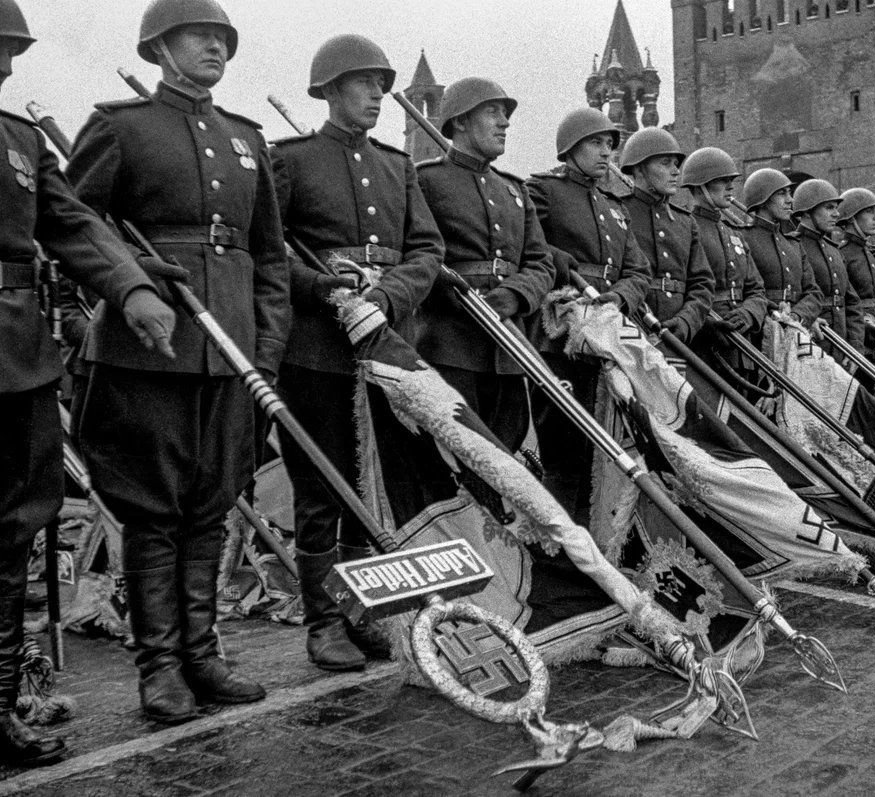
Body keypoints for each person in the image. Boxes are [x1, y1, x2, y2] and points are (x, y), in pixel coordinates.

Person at [67, 0, 290, 724]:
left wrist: (266, 348)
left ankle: (204, 652)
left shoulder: (245, 139)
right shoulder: (121, 127)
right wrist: (134, 271)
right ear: (159, 47)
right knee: (153, 511)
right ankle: (159, 666)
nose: (214, 48)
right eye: (199, 37)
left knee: (214, 504)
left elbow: (270, 259)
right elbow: (74, 225)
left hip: (229, 350)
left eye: (222, 39)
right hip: (148, 352)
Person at [0, 0, 180, 763]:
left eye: (10, 50)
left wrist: (133, 287)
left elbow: (72, 224)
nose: (8, 64)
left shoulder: (18, 137)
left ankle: (2, 704)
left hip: (18, 356)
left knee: (15, 529)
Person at [271, 34, 444, 672]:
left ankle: (360, 611)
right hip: (316, 348)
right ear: (329, 90)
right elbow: (271, 250)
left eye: (380, 83)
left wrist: (391, 297)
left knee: (371, 487)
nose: (376, 94)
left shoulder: (399, 167)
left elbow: (428, 250)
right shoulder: (290, 159)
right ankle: (322, 624)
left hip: (386, 345)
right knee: (321, 483)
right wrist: (322, 288)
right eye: (362, 83)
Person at [415, 77, 555, 453]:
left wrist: (514, 295)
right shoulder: (425, 181)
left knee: (508, 462)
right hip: (450, 346)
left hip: (509, 350)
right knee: (456, 460)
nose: (504, 122)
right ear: (460, 121)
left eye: (505, 114)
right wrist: (454, 294)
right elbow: (417, 255)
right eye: (492, 111)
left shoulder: (514, 190)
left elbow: (541, 263)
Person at [526, 108, 651, 523]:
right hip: (562, 336)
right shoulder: (544, 191)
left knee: (608, 443)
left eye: (609, 145)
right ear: (570, 149)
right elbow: (531, 246)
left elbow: (638, 271)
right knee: (564, 445)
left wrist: (617, 299)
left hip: (609, 333)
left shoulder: (614, 206)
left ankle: (596, 534)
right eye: (595, 144)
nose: (606, 154)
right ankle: (558, 541)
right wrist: (565, 270)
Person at [619, 127, 714, 343]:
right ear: (640, 169)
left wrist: (686, 322)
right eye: (665, 163)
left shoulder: (685, 222)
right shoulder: (618, 211)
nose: (675, 172)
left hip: (681, 337)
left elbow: (702, 284)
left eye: (676, 164)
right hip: (633, 331)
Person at [682, 147, 769, 379]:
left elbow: (757, 290)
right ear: (700, 186)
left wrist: (748, 315)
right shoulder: (686, 227)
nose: (731, 187)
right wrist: (705, 323)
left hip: (743, 348)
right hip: (703, 349)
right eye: (722, 181)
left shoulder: (734, 233)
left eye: (731, 180)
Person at [740, 169, 822, 329]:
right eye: (782, 194)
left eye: (789, 193)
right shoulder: (744, 237)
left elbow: (814, 293)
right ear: (763, 199)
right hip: (760, 329)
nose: (790, 200)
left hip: (794, 328)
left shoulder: (793, 244)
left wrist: (796, 316)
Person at [790, 179, 863, 351]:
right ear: (807, 212)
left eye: (836, 208)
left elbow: (851, 302)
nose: (837, 214)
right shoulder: (792, 245)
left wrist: (855, 347)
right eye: (829, 208)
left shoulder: (834, 250)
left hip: (841, 343)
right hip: (810, 343)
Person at [837, 187, 875, 333]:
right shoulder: (842, 253)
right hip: (859, 330)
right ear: (852, 218)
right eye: (869, 211)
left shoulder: (869, 252)